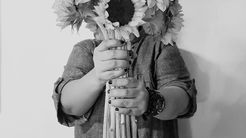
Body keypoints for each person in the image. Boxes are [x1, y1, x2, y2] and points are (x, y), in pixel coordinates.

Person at [52, 12, 197, 138]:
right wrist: (97, 76)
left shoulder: (160, 45)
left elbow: (184, 100)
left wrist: (151, 101)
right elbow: (68, 105)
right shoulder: (86, 49)